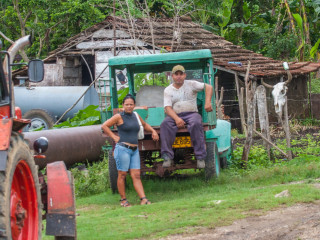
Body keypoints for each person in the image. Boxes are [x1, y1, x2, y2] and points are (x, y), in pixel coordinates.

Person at [101, 94, 159, 207]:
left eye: (131, 104)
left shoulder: (136, 115)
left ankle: (143, 199)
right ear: (123, 105)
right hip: (123, 149)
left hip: (134, 150)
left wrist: (153, 131)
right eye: (126, 104)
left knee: (136, 175)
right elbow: (104, 126)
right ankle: (123, 200)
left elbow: (145, 124)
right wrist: (114, 137)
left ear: (134, 105)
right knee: (122, 174)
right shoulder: (118, 116)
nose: (128, 106)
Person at [160, 65, 213, 168]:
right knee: (165, 124)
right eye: (176, 74)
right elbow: (167, 108)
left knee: (196, 123)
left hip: (191, 113)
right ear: (172, 76)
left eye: (181, 74)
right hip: (174, 115)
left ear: (184, 75)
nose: (179, 76)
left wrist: (207, 102)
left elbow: (209, 87)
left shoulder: (192, 84)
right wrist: (177, 119)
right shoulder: (168, 90)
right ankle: (167, 157)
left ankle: (200, 157)